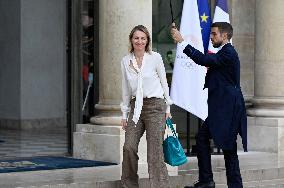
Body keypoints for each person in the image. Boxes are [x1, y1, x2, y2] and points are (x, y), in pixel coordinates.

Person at [171, 22, 247, 188]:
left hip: (228, 110)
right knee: (205, 139)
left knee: (227, 148)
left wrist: (182, 41)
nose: (211, 37)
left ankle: (222, 183)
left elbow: (204, 59)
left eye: (214, 34)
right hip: (222, 110)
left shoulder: (228, 52)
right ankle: (207, 181)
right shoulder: (224, 53)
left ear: (224, 36)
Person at [120, 25, 173, 188]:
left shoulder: (155, 57)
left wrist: (168, 108)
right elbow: (126, 89)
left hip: (156, 106)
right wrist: (124, 114)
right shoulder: (125, 61)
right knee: (129, 146)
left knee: (154, 152)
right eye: (136, 38)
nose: (139, 41)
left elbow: (164, 83)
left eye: (143, 38)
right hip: (137, 107)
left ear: (147, 40)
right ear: (131, 40)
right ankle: (129, 184)